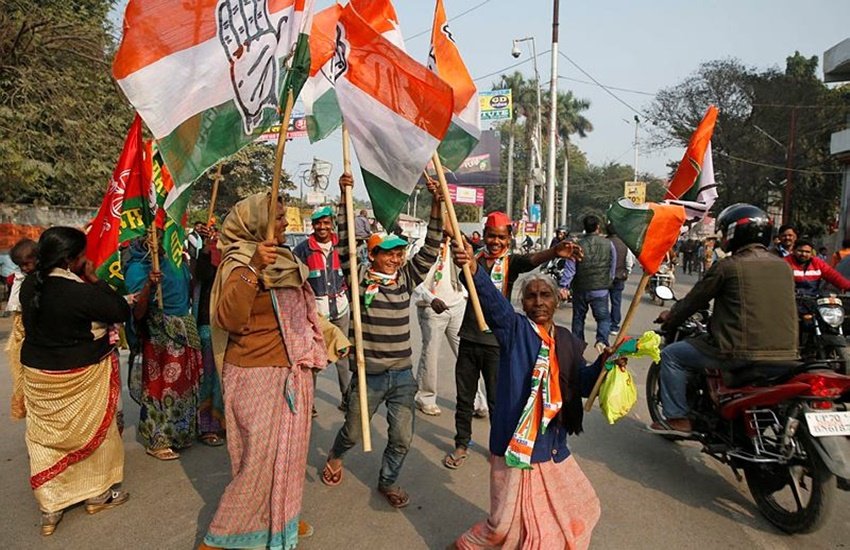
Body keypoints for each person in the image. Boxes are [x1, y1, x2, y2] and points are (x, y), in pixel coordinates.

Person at [202, 192, 345, 548]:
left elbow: (302, 313)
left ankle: (281, 521)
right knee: (257, 465)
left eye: (283, 217)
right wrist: (253, 268)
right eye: (278, 218)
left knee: (290, 460)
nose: (285, 223)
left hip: (292, 375)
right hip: (254, 376)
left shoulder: (285, 260)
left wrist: (331, 335)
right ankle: (220, 537)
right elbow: (229, 319)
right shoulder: (237, 263)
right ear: (255, 224)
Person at [451, 241, 600, 549]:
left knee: (583, 505)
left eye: (545, 295)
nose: (538, 301)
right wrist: (476, 268)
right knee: (503, 524)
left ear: (557, 300)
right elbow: (492, 302)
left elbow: (584, 383)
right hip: (514, 443)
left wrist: (606, 364)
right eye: (530, 296)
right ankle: (470, 544)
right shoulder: (514, 328)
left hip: (552, 444)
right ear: (523, 302)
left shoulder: (568, 340)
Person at [321, 174, 443, 509]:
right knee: (353, 432)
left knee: (402, 437)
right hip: (369, 373)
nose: (394, 257)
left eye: (399, 251)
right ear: (372, 254)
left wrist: (437, 204)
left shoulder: (406, 277)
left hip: (402, 375)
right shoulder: (358, 278)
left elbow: (432, 246)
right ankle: (335, 454)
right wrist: (344, 195)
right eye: (386, 252)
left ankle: (388, 481)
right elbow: (344, 245)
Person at [444, 211, 580, 470]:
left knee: (499, 400)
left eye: (501, 237)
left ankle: (501, 444)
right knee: (465, 397)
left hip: (498, 343)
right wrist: (440, 198)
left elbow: (531, 259)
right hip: (470, 338)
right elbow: (451, 228)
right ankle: (461, 444)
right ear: (483, 236)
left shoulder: (511, 263)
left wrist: (553, 252)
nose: (495, 242)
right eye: (491, 236)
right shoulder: (472, 256)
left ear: (509, 239)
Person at [650, 204, 799, 435]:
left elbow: (694, 301)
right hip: (788, 354)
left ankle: (678, 418)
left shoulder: (728, 266)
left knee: (671, 355)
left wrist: (670, 318)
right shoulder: (784, 267)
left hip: (736, 352)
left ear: (734, 234)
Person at [19, 227, 130, 536]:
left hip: (39, 375)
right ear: (72, 259)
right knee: (98, 431)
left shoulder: (30, 285)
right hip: (81, 372)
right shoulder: (80, 292)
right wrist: (94, 278)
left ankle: (50, 507)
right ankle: (98, 494)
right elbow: (120, 310)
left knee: (44, 440)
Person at [124, 233, 201, 460]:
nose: (158, 244)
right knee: (159, 389)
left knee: (183, 386)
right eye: (152, 240)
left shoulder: (174, 264)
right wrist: (150, 284)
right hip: (159, 336)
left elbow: (189, 285)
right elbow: (138, 311)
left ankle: (180, 434)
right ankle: (158, 439)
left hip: (183, 331)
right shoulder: (137, 269)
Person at [411, 233, 487, 417]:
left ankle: (476, 400)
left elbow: (469, 268)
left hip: (457, 305)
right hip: (432, 307)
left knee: (467, 354)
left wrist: (464, 296)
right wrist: (431, 298)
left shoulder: (458, 243)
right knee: (431, 354)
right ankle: (426, 397)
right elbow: (413, 277)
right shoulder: (423, 243)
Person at [293, 205, 352, 413]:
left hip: (341, 309)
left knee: (343, 355)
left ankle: (347, 398)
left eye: (326, 222)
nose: (322, 227)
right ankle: (310, 404)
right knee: (314, 360)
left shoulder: (343, 245)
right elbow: (296, 279)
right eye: (318, 223)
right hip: (316, 313)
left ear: (332, 223)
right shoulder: (302, 249)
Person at [560, 215, 616, 353]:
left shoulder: (578, 245)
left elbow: (570, 268)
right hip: (600, 290)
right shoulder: (608, 244)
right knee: (603, 318)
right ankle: (602, 341)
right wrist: (609, 280)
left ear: (584, 228)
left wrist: (564, 285)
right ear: (598, 227)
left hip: (581, 289)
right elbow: (612, 265)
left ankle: (577, 345)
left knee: (578, 318)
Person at [194, 224, 226, 446]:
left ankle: (226, 422)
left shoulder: (239, 255)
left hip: (231, 324)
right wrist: (206, 249)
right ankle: (207, 425)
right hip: (209, 323)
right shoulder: (208, 254)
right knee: (210, 376)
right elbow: (202, 274)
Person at [5, 238, 36, 420]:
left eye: (27, 263)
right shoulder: (22, 279)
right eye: (20, 265)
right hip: (22, 331)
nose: (24, 268)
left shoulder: (42, 279)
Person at [784, 238, 850, 296]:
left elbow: (835, 277)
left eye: (807, 252)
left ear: (811, 253)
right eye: (800, 251)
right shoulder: (785, 263)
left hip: (813, 301)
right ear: (793, 251)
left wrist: (848, 287)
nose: (803, 254)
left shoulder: (817, 263)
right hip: (790, 301)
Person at [607, 224, 633, 336]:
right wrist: (627, 273)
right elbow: (629, 263)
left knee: (603, 302)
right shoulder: (624, 244)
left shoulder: (604, 243)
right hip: (619, 277)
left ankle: (605, 324)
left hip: (604, 278)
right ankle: (614, 326)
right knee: (616, 302)